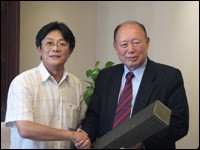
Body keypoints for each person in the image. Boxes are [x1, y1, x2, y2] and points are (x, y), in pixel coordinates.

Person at [81, 20, 189, 149]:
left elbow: (179, 124)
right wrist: (85, 136)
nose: (130, 49)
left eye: (136, 43)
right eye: (124, 44)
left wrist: (144, 142)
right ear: (116, 47)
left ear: (147, 42)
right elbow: (93, 116)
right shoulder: (105, 77)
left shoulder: (169, 77)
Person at [5, 21, 91, 149]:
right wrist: (71, 135)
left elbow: (79, 125)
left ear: (70, 51)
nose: (55, 48)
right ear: (39, 49)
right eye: (49, 43)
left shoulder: (75, 84)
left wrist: (83, 139)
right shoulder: (23, 82)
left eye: (62, 44)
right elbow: (25, 129)